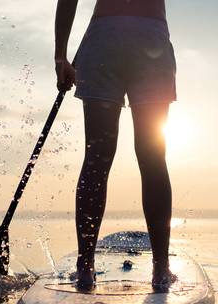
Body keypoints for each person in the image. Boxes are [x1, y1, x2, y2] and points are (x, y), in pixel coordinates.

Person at [54, 0, 177, 288]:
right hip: (150, 38)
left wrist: (61, 57)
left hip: (104, 40)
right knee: (153, 158)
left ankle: (85, 267)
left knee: (96, 158)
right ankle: (161, 270)